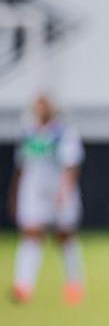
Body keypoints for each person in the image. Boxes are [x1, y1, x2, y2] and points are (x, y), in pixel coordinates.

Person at [8, 94, 86, 305]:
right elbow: (22, 165)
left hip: (58, 189)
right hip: (33, 189)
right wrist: (15, 193)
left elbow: (71, 164)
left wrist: (65, 190)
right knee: (31, 233)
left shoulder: (63, 132)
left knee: (65, 236)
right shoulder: (28, 131)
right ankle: (23, 285)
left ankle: (74, 284)